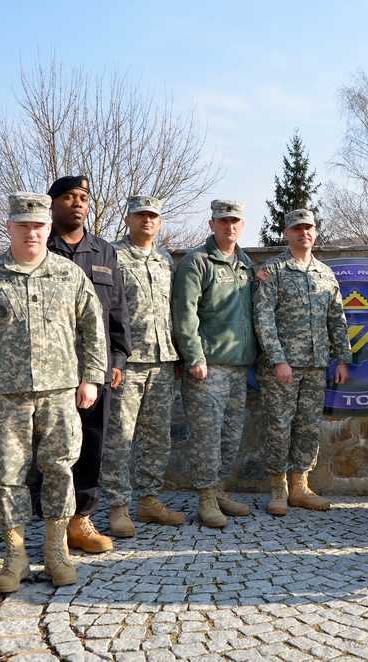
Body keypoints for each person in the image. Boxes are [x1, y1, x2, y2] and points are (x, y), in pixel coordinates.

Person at [0, 192, 107, 593]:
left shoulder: (69, 274)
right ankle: (15, 556)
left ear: (48, 228)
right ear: (9, 228)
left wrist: (91, 377)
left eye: (38, 226)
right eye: (23, 226)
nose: (31, 233)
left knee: (59, 470)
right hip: (5, 398)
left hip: (59, 394)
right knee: (6, 478)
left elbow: (94, 327)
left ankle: (56, 551)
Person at [46, 175, 132, 553]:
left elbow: (117, 309)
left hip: (93, 369)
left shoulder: (104, 251)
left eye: (82, 197)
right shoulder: (38, 245)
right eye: (68, 197)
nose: (77, 203)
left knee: (91, 444)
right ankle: (51, 522)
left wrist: (117, 357)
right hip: (47, 369)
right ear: (53, 204)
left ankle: (80, 520)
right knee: (49, 449)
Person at [253, 209, 352, 516]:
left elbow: (337, 318)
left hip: (316, 364)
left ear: (315, 232)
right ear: (287, 233)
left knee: (308, 427)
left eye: (308, 228)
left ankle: (300, 487)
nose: (303, 233)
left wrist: (343, 359)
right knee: (280, 427)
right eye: (297, 228)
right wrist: (278, 360)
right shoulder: (273, 270)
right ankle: (278, 490)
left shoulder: (325, 273)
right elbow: (263, 317)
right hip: (282, 368)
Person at [100, 195, 184, 538]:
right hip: (128, 362)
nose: (146, 221)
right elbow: (103, 310)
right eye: (140, 215)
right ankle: (118, 506)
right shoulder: (112, 255)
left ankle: (149, 501)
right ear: (127, 218)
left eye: (152, 216)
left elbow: (171, 309)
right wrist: (109, 358)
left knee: (157, 437)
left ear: (160, 222)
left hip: (163, 360)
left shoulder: (165, 259)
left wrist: (177, 352)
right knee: (120, 437)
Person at [173, 199, 258, 528]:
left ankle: (219, 488)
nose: (229, 226)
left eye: (235, 220)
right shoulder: (198, 262)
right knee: (206, 435)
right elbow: (184, 314)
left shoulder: (245, 265)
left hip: (238, 367)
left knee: (231, 435)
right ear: (212, 224)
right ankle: (206, 498)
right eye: (223, 221)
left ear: (242, 224)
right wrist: (193, 356)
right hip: (206, 367)